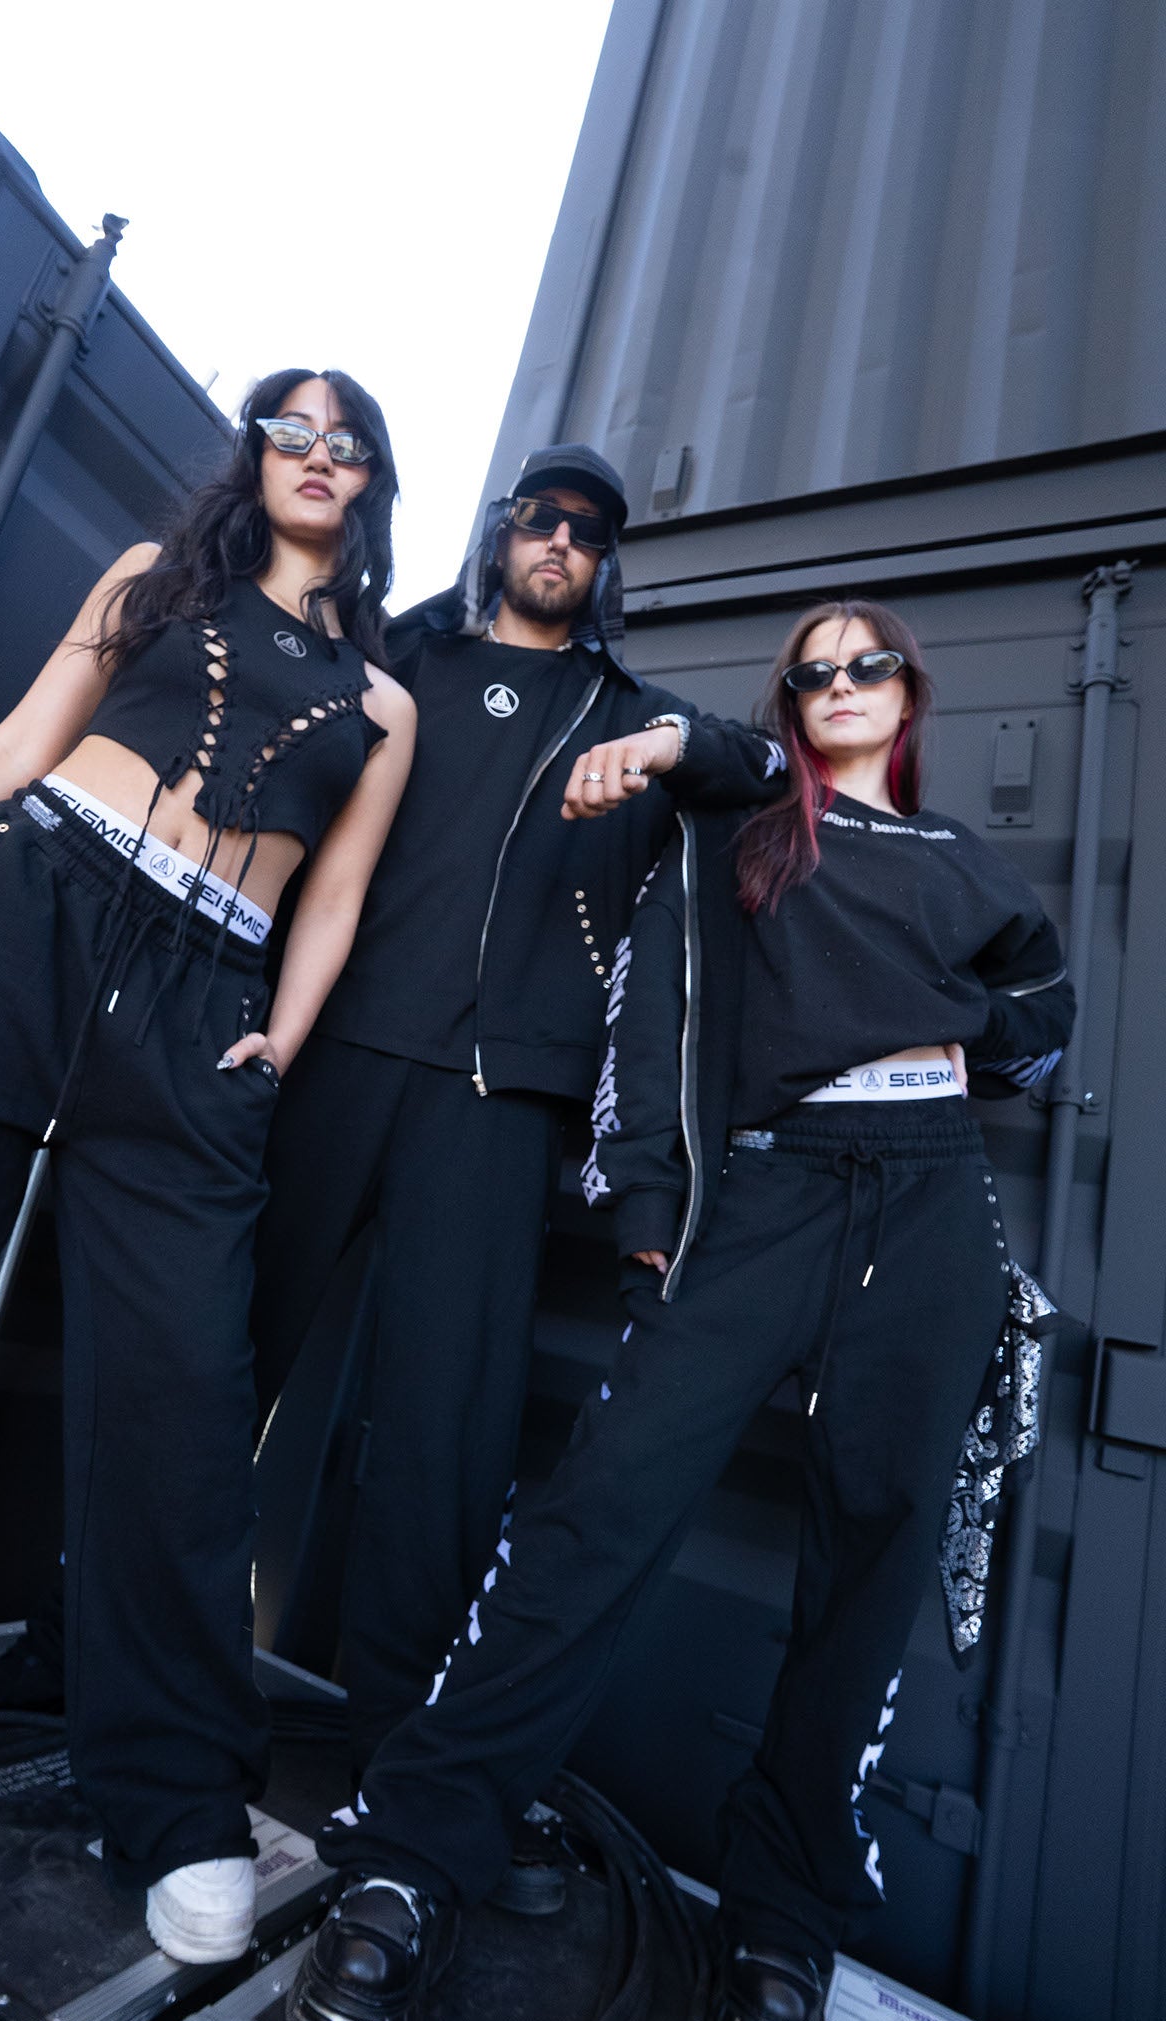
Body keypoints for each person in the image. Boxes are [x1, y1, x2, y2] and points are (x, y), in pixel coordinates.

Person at [283, 599, 1075, 2021]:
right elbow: (648, 1018)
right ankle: (412, 1861)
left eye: (869, 664)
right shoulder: (744, 827)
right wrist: (648, 1202)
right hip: (767, 1194)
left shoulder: (961, 859)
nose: (842, 683)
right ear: (790, 704)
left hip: (932, 1210)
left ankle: (783, 1932)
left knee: (874, 1555)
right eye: (813, 671)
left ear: (909, 692)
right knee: (598, 1516)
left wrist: (950, 1021)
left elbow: (1042, 1024)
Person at [0, 368, 415, 1962]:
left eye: (347, 443)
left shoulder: (387, 710)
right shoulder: (149, 579)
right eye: (291, 429)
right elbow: (15, 748)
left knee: (181, 1400)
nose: (316, 456)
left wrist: (280, 1042)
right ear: (255, 456)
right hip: (16, 915)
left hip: (204, 1003)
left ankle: (176, 1798)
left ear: (371, 484)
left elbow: (332, 900)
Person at [249, 444, 788, 1780]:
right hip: (331, 1058)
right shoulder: (400, 662)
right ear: (502, 532)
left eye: (587, 533)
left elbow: (770, 770)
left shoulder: (629, 713)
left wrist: (669, 744)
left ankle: (394, 1749)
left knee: (445, 1429)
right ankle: (92, 1635)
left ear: (605, 567)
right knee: (215, 1350)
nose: (560, 542)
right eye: (541, 519)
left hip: (496, 1101)